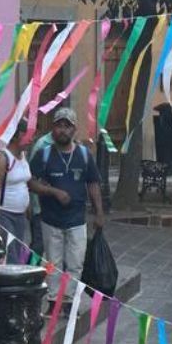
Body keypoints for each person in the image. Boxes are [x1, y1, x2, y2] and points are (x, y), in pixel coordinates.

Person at [28, 107, 106, 275]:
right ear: (53, 129)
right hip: (50, 220)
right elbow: (31, 183)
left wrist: (99, 212)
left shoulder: (84, 155)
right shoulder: (44, 154)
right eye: (59, 126)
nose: (63, 130)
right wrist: (53, 192)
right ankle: (53, 299)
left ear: (74, 129)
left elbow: (93, 183)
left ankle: (69, 299)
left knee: (76, 264)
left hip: (77, 220)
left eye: (67, 126)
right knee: (52, 266)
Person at [0, 122, 33, 263]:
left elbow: (24, 182)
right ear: (17, 135)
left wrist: (27, 205)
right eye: (27, 134)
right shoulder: (3, 158)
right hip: (6, 214)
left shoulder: (23, 156)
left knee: (18, 248)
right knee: (11, 254)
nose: (31, 138)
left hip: (20, 215)